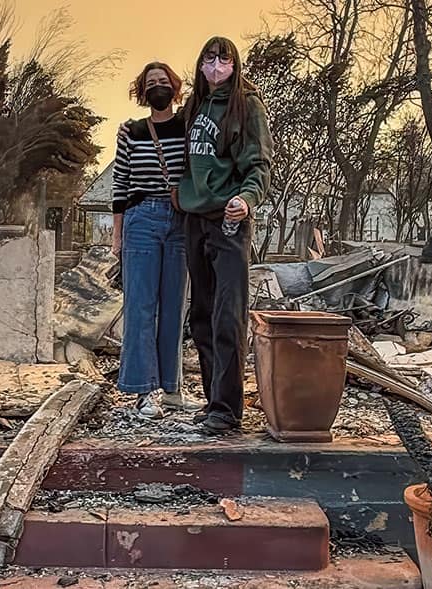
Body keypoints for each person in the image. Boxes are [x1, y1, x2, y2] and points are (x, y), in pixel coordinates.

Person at [178, 37, 273, 434]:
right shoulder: (194, 106)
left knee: (228, 315)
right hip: (195, 219)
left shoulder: (247, 106)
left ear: (235, 65)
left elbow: (259, 164)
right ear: (200, 63)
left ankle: (228, 408)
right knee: (201, 315)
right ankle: (213, 399)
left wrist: (247, 199)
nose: (216, 65)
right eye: (209, 57)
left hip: (229, 220)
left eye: (224, 59)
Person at [111, 62, 201, 419]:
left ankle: (173, 389)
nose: (157, 87)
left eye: (163, 81)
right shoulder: (131, 131)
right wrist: (117, 236)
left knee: (175, 306)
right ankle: (143, 391)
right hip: (141, 218)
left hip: (179, 219)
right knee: (140, 306)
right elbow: (120, 184)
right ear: (142, 91)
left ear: (175, 88)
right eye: (151, 83)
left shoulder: (188, 127)